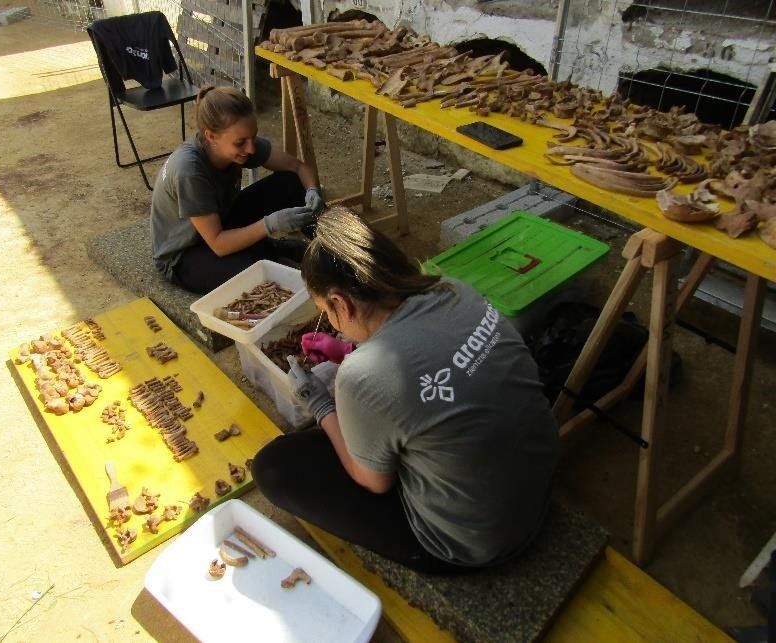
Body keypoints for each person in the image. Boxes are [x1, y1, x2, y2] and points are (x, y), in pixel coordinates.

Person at [250, 206, 560, 574]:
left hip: (472, 542)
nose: (329, 322)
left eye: (325, 311)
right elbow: (426, 355)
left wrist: (320, 405)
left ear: (339, 303)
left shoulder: (362, 377)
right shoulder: (455, 291)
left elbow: (373, 483)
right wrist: (354, 347)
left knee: (275, 466)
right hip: (538, 489)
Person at [150, 85, 324, 294]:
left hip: (220, 221)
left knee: (291, 182)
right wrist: (270, 224)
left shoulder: (237, 144)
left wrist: (313, 190)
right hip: (185, 253)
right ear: (211, 136)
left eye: (253, 137)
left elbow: (298, 167)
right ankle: (274, 249)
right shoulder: (189, 171)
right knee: (257, 274)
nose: (250, 149)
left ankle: (331, 248)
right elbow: (218, 244)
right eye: (240, 142)